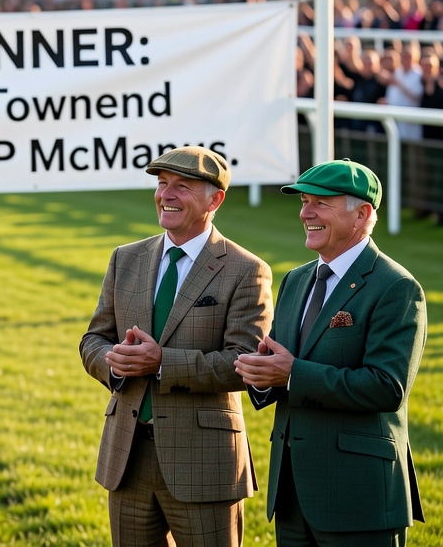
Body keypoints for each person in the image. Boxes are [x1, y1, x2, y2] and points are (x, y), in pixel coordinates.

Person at [80, 147, 273, 547]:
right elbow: (93, 339)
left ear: (214, 200)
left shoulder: (246, 270)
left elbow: (244, 362)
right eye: (162, 183)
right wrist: (113, 363)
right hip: (127, 457)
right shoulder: (125, 258)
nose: (166, 194)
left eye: (182, 186)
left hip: (204, 463)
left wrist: (161, 362)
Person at [235, 159, 427, 545]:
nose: (306, 213)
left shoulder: (396, 287)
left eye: (321, 203)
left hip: (358, 496)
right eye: (304, 202)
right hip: (292, 494)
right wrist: (262, 376)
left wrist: (292, 374)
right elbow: (282, 363)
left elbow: (386, 387)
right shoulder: (296, 279)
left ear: (362, 214)